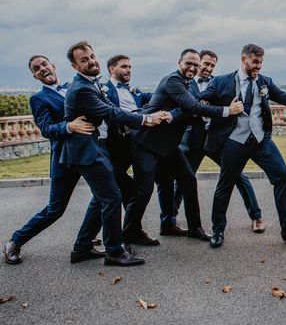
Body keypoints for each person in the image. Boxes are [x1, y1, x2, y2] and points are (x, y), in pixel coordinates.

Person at [201, 44, 286, 248]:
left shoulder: (265, 82)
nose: (259, 66)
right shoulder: (221, 82)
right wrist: (225, 110)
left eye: (261, 62)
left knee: (282, 175)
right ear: (243, 59)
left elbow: (285, 98)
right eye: (255, 62)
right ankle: (218, 230)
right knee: (225, 185)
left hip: (260, 141)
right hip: (234, 142)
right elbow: (198, 101)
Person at [60, 41, 166, 266]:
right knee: (111, 197)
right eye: (84, 59)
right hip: (86, 150)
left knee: (101, 200)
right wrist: (146, 119)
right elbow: (110, 112)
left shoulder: (91, 84)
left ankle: (81, 248)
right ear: (74, 66)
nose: (90, 61)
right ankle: (115, 252)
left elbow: (113, 107)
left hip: (95, 147)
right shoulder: (81, 89)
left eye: (91, 56)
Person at [125, 49, 239, 245]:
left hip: (168, 146)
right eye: (189, 63)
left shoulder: (190, 86)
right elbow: (193, 108)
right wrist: (228, 111)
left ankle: (191, 228)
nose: (192, 68)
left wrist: (175, 113)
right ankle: (130, 233)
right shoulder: (173, 81)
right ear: (179, 62)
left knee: (188, 180)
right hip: (146, 143)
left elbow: (189, 109)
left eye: (195, 65)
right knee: (143, 191)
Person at [3, 55, 98, 265]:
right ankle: (15, 241)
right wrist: (68, 126)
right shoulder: (39, 98)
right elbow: (46, 129)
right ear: (35, 76)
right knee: (55, 209)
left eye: (44, 64)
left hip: (88, 153)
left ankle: (85, 240)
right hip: (65, 159)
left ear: (53, 66)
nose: (42, 69)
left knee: (104, 196)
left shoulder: (76, 87)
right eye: (37, 68)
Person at [173, 50, 264, 233]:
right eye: (205, 64)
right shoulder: (185, 84)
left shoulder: (219, 83)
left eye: (212, 65)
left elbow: (231, 107)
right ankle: (169, 219)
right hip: (192, 141)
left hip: (216, 140)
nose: (208, 68)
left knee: (239, 176)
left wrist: (213, 108)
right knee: (183, 180)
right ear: (198, 63)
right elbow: (182, 106)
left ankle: (256, 217)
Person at [103, 54, 153, 208]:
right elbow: (113, 113)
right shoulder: (105, 90)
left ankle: (130, 227)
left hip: (137, 140)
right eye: (124, 66)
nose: (128, 70)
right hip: (117, 142)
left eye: (130, 67)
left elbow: (151, 97)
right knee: (117, 182)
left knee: (138, 184)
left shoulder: (133, 89)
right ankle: (128, 227)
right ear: (112, 69)